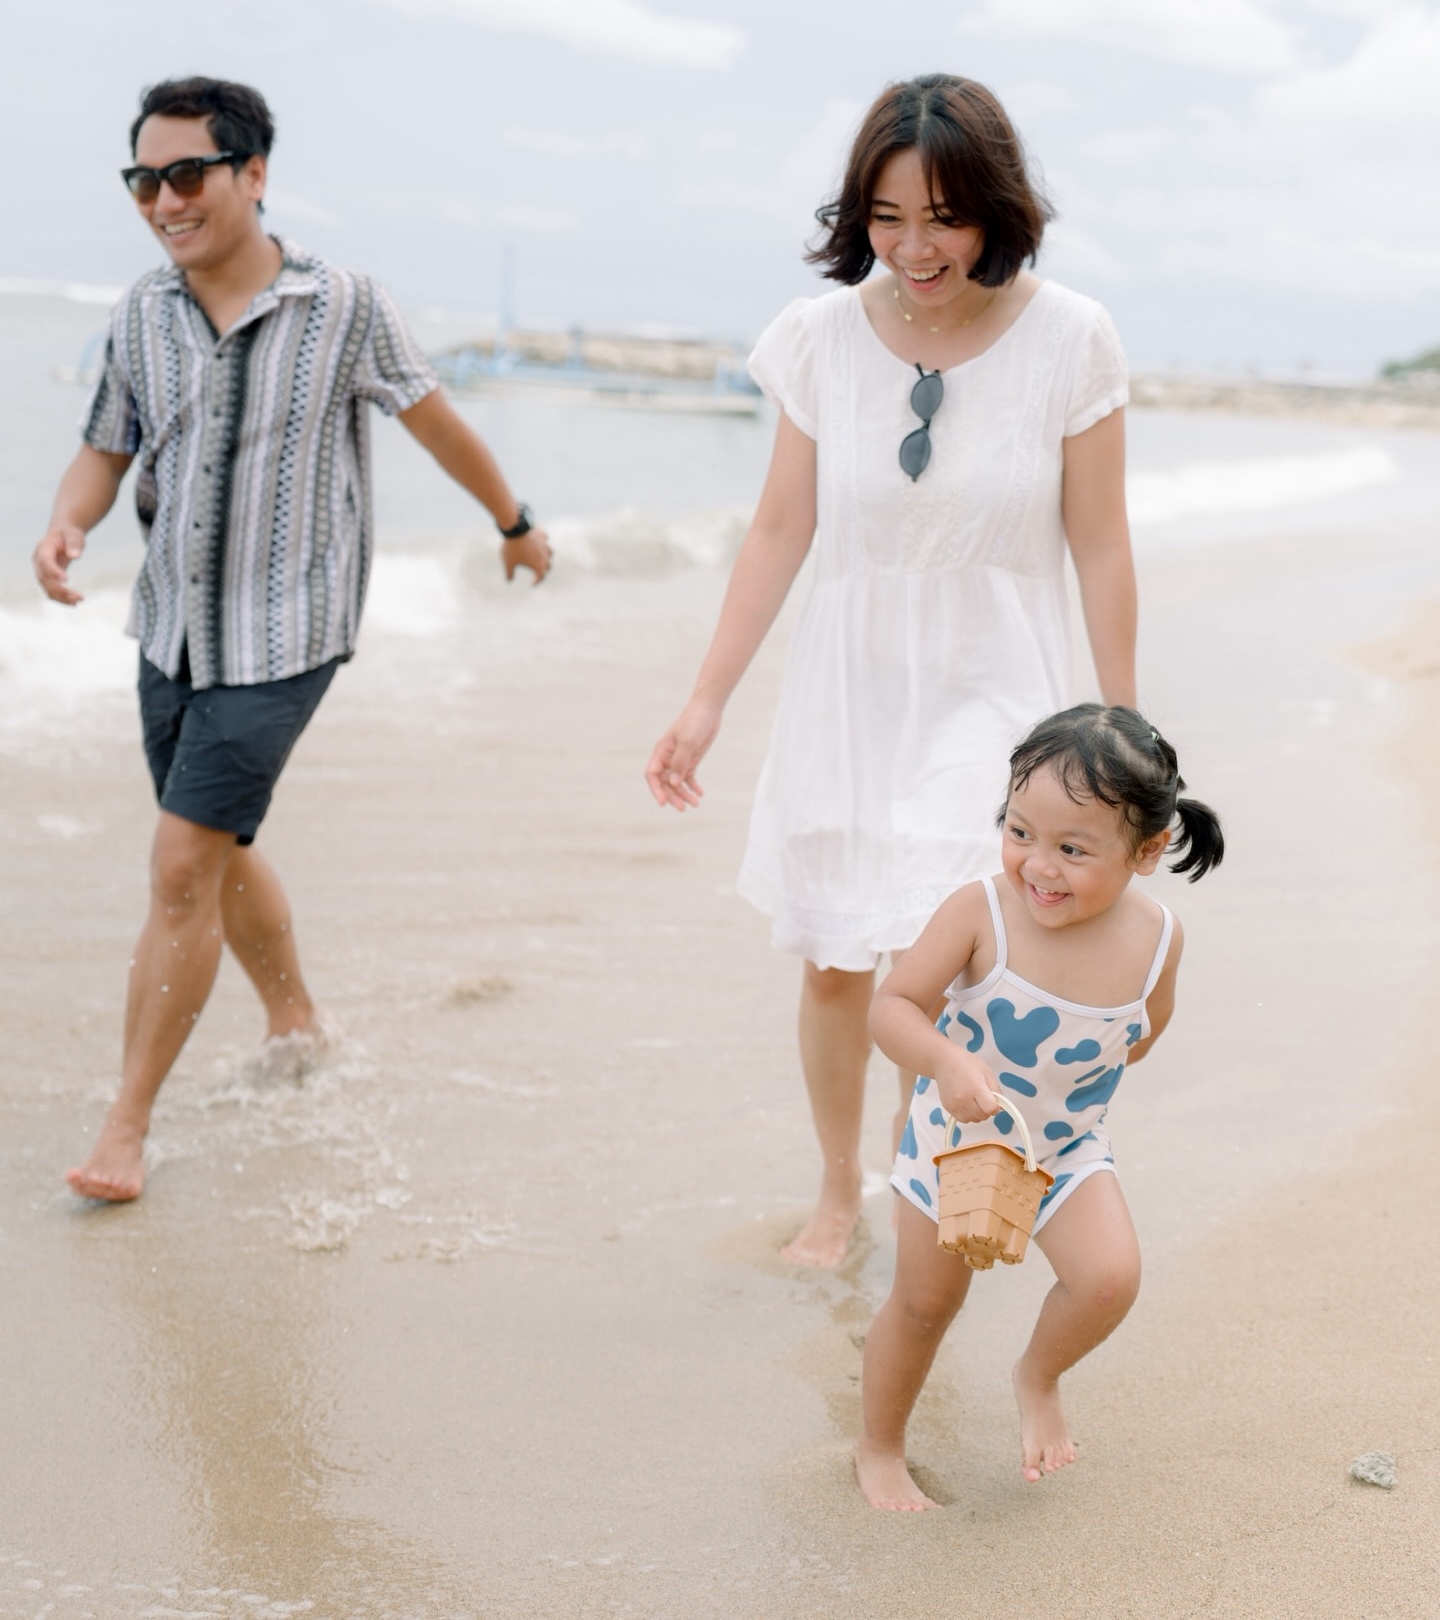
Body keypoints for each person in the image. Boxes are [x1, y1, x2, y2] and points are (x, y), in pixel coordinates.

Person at [645, 74, 1137, 1266]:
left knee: (955, 950)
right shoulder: (817, 340)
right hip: (851, 690)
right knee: (833, 963)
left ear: (996, 209)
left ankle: (937, 1189)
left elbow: (1102, 540)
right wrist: (705, 701)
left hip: (1003, 685)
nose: (914, 248)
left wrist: (1124, 729)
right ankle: (836, 1189)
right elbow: (778, 530)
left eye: (944, 217)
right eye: (886, 216)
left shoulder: (1071, 336)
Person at [32, 76, 551, 1203]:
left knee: (179, 863)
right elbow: (104, 447)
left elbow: (434, 418)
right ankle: (296, 1020)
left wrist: (512, 523)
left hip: (287, 634)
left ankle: (126, 1126)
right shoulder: (138, 313)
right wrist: (68, 524)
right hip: (170, 627)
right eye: (143, 180)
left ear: (252, 173)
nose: (163, 201)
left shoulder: (343, 305)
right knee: (218, 848)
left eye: (186, 175)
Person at [857, 704, 1224, 1507]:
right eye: (1018, 831)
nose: (1039, 866)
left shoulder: (1160, 938)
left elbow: (1145, 1030)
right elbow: (893, 1008)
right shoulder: (979, 913)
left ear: (1148, 851)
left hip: (1064, 1150)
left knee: (1108, 1280)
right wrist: (947, 1062)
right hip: (954, 1144)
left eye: (1072, 849)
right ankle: (880, 1448)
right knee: (926, 1303)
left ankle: (1038, 1375)